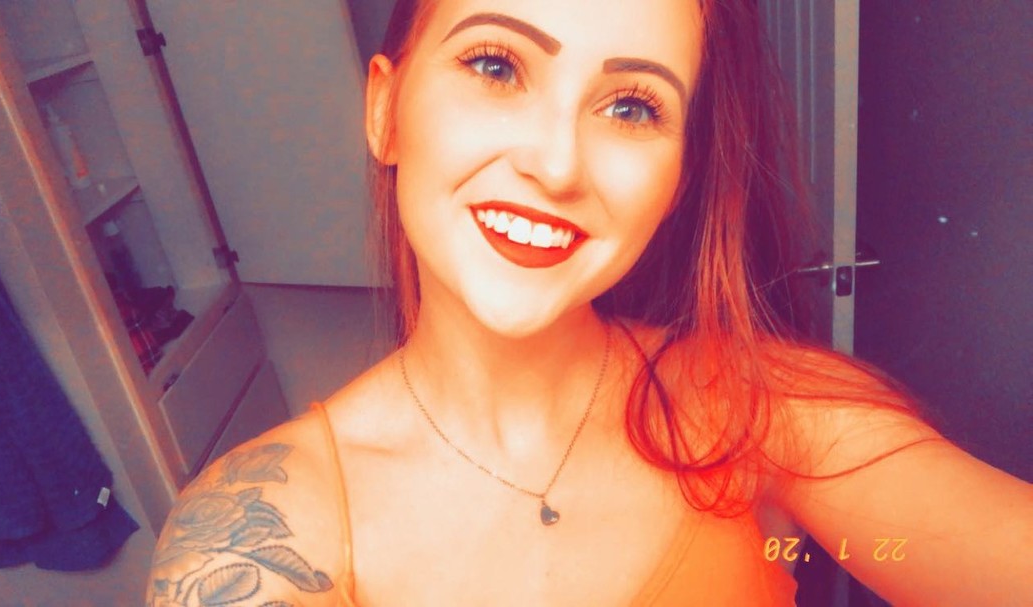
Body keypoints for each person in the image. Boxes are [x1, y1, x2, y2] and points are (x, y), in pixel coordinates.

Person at [145, 1, 1032, 605]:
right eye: (496, 65)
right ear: (385, 110)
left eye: (633, 108)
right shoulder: (261, 530)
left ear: (677, 178)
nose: (557, 164)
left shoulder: (763, 406)